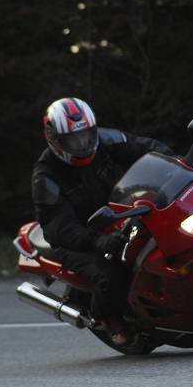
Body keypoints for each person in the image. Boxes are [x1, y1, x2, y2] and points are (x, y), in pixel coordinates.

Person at [31, 97, 174, 345]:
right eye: (74, 140)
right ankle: (108, 317)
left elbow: (145, 148)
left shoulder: (107, 140)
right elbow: (60, 228)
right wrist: (97, 241)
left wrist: (177, 163)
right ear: (54, 139)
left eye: (86, 136)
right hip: (78, 239)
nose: (83, 144)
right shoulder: (46, 177)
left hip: (115, 214)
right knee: (113, 272)